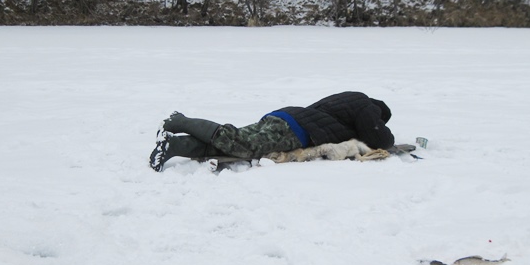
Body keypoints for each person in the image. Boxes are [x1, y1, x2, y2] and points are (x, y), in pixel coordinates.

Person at [149, 91, 395, 172]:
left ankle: (174, 145)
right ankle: (180, 121)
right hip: (296, 129)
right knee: (241, 143)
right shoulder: (366, 105)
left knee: (233, 147)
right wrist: (384, 131)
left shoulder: (346, 100)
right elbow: (379, 137)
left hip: (284, 117)